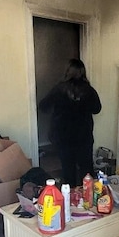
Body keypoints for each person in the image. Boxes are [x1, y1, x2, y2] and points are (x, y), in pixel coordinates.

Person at [38, 58, 102, 187]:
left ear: (67, 71)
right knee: (86, 169)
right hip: (83, 136)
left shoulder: (59, 89)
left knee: (68, 170)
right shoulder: (89, 90)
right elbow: (97, 109)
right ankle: (88, 198)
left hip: (63, 136)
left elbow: (43, 106)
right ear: (83, 72)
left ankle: (70, 200)